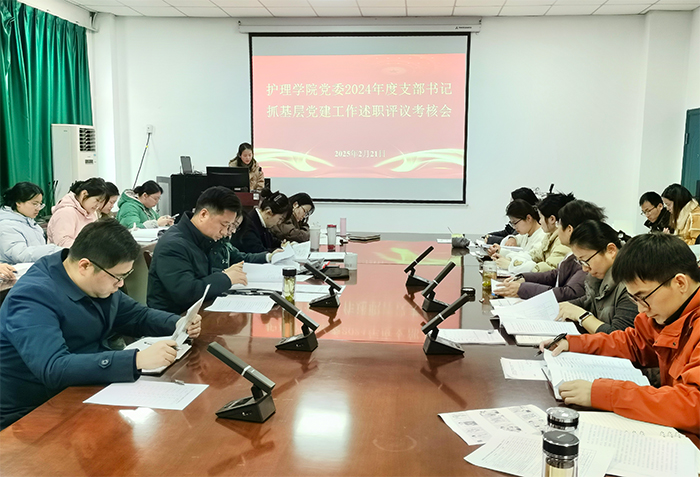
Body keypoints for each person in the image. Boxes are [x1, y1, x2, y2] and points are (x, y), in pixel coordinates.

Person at [0, 219, 201, 429]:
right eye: (118, 277)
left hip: (84, 390)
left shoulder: (95, 282)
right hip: (32, 415)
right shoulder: (32, 297)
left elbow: (136, 315)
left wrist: (178, 323)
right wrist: (136, 360)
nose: (121, 284)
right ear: (85, 266)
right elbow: (54, 368)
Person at [541, 233, 700, 434]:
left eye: (644, 297)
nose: (641, 309)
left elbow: (693, 406)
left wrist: (605, 394)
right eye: (635, 300)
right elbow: (633, 343)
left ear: (680, 283)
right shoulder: (668, 314)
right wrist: (573, 343)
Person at [147, 186, 248, 315]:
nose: (224, 232)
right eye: (224, 225)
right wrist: (226, 278)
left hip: (200, 312)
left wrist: (226, 274)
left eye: (229, 226)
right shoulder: (173, 245)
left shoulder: (204, 238)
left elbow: (203, 275)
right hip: (175, 320)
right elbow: (186, 293)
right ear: (203, 214)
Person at [497, 200, 605, 301]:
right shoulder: (573, 254)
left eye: (559, 224)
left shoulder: (588, 258)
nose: (557, 229)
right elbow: (555, 274)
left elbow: (570, 293)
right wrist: (524, 278)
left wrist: (523, 289)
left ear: (569, 230)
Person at [554, 220, 637, 334]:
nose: (584, 269)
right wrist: (560, 307)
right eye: (580, 262)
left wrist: (582, 316)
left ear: (611, 250)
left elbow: (619, 337)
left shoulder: (631, 284)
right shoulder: (598, 278)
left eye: (586, 261)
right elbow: (587, 301)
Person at [494, 193, 574, 275]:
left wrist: (511, 265)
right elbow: (533, 255)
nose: (540, 221)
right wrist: (507, 257)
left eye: (541, 217)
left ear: (552, 219)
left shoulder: (563, 242)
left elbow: (548, 270)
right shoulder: (550, 236)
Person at [0, 182, 62, 264]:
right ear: (18, 202)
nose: (38, 208)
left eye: (40, 204)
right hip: (16, 270)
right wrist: (53, 250)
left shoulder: (31, 223)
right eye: (34, 204)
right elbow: (20, 254)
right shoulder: (6, 225)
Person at [47, 178, 107, 248]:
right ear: (84, 194)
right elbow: (63, 243)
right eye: (97, 200)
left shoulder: (92, 213)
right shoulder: (65, 212)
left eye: (100, 202)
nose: (98, 205)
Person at [231, 189, 289, 254]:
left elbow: (270, 241)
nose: (279, 223)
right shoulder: (248, 226)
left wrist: (282, 243)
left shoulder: (260, 222)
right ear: (269, 212)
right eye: (280, 219)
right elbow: (258, 251)